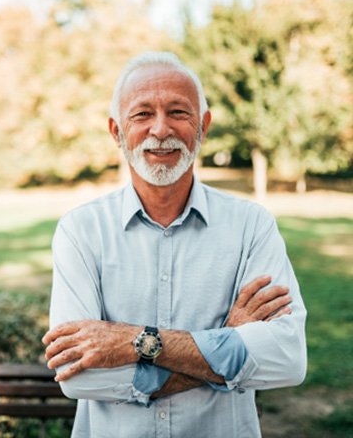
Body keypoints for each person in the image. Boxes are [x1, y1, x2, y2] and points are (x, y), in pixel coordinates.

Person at [42, 51, 307, 438]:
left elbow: (286, 359)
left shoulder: (252, 225)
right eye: (142, 114)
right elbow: (78, 379)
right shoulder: (81, 231)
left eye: (179, 112)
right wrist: (226, 343)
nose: (161, 129)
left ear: (203, 125)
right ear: (117, 131)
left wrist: (135, 343)